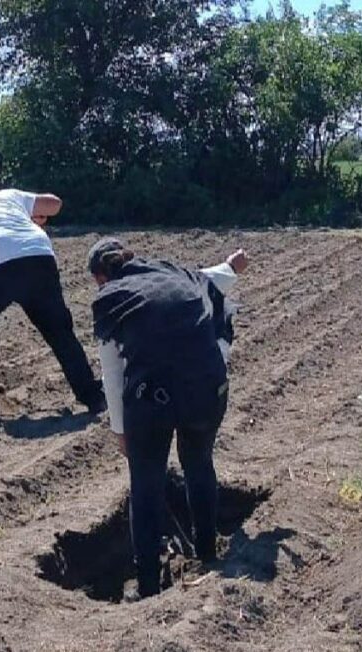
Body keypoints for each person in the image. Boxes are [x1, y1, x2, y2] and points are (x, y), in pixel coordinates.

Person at [87, 237, 248, 599]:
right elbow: (215, 277)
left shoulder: (112, 299)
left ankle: (147, 587)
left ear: (100, 276)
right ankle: (207, 555)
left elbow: (112, 373)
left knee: (145, 486)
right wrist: (233, 265)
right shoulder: (177, 275)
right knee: (199, 464)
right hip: (207, 388)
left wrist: (120, 430)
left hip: (152, 400)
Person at [0, 188, 106, 418]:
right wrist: (30, 216)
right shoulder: (7, 196)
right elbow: (54, 204)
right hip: (39, 256)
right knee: (60, 332)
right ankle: (93, 396)